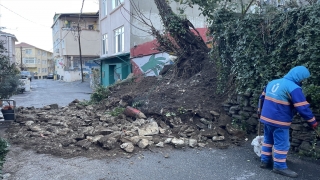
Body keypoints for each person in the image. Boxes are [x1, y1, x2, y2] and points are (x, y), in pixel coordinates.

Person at [257, 66, 318, 178]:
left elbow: (261, 98)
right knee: (282, 144)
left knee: (268, 139)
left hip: (266, 118)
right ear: (299, 77)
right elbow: (302, 108)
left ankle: (265, 161)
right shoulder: (294, 87)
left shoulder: (272, 82)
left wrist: (259, 113)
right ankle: (279, 166)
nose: (303, 81)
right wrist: (313, 122)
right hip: (279, 120)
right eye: (303, 79)